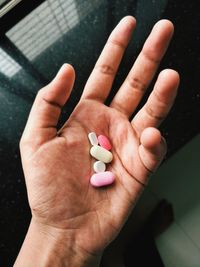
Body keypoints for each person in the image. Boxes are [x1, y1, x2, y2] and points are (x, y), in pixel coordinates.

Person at [14, 16, 179, 267]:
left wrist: (60, 237)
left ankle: (141, 242)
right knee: (140, 257)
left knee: (137, 255)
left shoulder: (101, 153)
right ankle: (142, 242)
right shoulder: (100, 155)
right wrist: (60, 233)